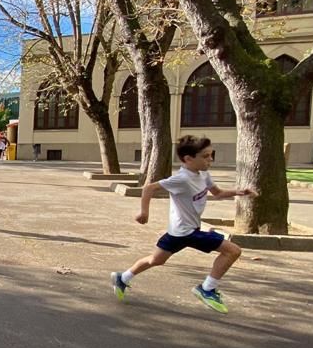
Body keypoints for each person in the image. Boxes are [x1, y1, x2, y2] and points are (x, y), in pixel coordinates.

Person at [110, 135, 256, 314]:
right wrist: (144, 212)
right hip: (185, 232)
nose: (211, 159)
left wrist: (239, 192)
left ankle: (122, 278)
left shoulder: (203, 175)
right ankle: (207, 289)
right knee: (233, 250)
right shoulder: (182, 179)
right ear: (188, 159)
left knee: (156, 260)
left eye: (212, 154)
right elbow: (149, 188)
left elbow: (218, 193)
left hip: (180, 232)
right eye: (205, 156)